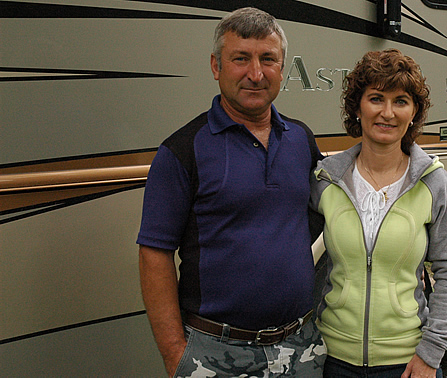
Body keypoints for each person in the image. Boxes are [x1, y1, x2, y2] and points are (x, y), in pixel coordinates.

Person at [137, 7, 326, 377]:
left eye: (267, 59)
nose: (255, 74)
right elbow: (153, 255)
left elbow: (321, 215)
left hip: (301, 349)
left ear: (282, 68)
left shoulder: (301, 140)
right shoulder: (182, 151)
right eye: (241, 58)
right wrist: (176, 353)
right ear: (216, 66)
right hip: (215, 354)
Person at [310, 49, 447, 378]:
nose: (387, 112)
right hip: (333, 359)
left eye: (401, 101)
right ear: (357, 107)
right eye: (376, 98)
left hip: (408, 363)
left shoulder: (433, 182)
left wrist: (431, 353)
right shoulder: (326, 180)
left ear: (414, 112)